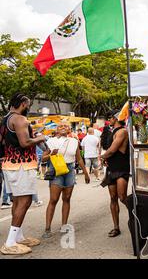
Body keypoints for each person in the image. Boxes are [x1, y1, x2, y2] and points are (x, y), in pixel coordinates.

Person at [1, 93, 47, 255]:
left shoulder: (6, 118)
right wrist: (40, 137)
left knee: (17, 201)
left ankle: (18, 237)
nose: (28, 108)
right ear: (22, 104)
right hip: (21, 165)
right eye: (27, 105)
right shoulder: (20, 119)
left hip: (10, 164)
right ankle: (10, 242)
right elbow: (25, 142)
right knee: (25, 201)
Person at [42, 120, 90, 239]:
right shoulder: (51, 141)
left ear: (69, 129)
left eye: (65, 126)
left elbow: (78, 159)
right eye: (60, 126)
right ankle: (47, 228)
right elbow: (43, 159)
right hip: (56, 169)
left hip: (69, 170)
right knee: (53, 199)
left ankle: (64, 225)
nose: (63, 127)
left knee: (67, 199)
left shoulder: (74, 141)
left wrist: (86, 173)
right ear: (56, 129)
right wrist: (51, 154)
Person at [101, 111, 130, 238]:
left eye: (110, 118)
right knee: (113, 198)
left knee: (122, 197)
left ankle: (137, 214)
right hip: (111, 169)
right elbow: (108, 148)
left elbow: (112, 150)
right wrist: (105, 158)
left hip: (121, 168)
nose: (109, 121)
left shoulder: (122, 131)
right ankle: (116, 227)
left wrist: (102, 157)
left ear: (115, 118)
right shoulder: (112, 131)